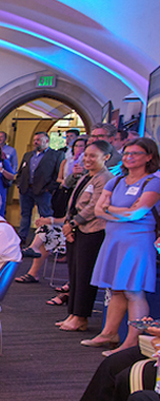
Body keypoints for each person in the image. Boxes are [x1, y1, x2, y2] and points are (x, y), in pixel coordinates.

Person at [82, 138, 160, 356]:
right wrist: (122, 212)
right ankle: (109, 333)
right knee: (115, 289)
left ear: (149, 156)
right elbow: (99, 211)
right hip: (114, 240)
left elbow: (137, 213)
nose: (129, 157)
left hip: (137, 243)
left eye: (135, 153)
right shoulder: (116, 181)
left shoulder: (152, 182)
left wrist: (112, 208)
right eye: (126, 153)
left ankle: (131, 342)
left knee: (133, 291)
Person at [54, 141, 114, 332]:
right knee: (74, 273)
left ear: (106, 158)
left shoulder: (105, 178)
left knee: (85, 274)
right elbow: (75, 201)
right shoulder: (86, 176)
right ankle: (72, 313)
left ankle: (81, 316)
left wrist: (72, 224)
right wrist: (68, 223)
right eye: (85, 155)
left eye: (92, 156)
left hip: (92, 231)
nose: (87, 159)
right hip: (76, 229)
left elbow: (93, 207)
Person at [15, 131, 64, 243]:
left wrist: (49, 188)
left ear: (46, 141)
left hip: (43, 190)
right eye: (34, 140)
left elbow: (57, 174)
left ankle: (45, 239)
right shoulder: (28, 155)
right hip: (26, 189)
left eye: (38, 140)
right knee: (25, 214)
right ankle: (22, 237)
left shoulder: (55, 155)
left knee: (45, 215)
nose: (35, 142)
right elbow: (22, 171)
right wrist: (19, 182)